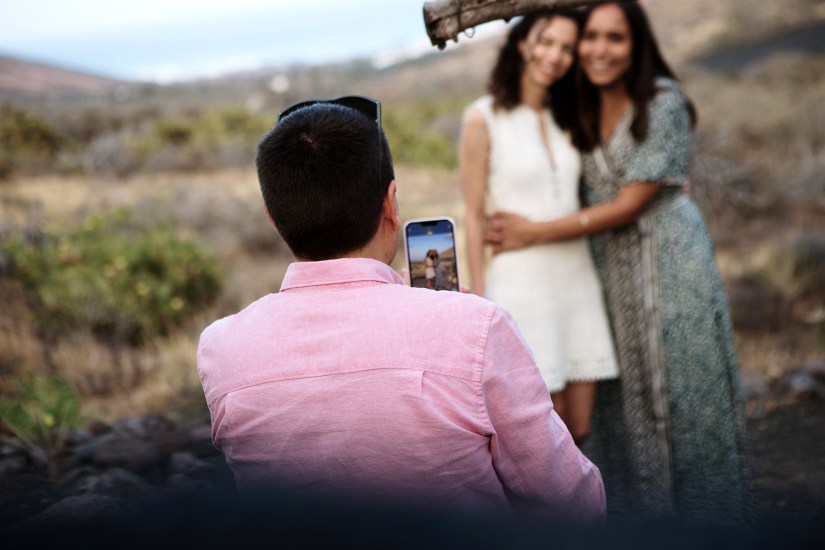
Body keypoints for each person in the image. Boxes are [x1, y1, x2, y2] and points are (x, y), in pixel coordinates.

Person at [196, 95, 605, 521]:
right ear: (390, 203)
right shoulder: (475, 329)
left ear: (274, 218)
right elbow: (574, 503)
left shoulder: (221, 350)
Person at [488, 3, 750, 525]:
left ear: (637, 46)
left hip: (670, 262)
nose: (599, 50)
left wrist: (532, 232)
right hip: (605, 272)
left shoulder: (663, 101)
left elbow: (631, 202)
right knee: (618, 404)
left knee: (684, 393)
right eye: (590, 38)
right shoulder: (575, 105)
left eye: (616, 38)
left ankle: (710, 525)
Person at [459, 10, 618, 445]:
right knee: (545, 432)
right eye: (547, 42)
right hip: (521, 285)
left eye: (567, 48)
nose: (556, 56)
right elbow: (474, 215)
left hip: (577, 277)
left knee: (581, 427)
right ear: (521, 44)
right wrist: (480, 297)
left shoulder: (569, 116)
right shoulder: (482, 117)